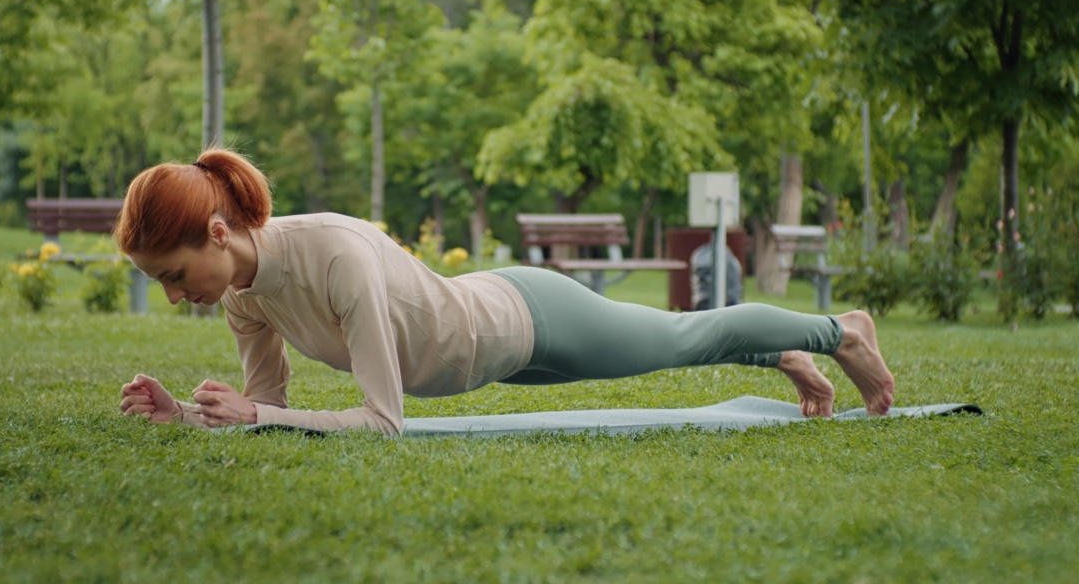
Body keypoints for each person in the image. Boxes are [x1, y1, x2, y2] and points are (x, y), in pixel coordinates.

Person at [116, 148, 894, 436]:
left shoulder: (333, 255)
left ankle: (841, 328)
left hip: (527, 318)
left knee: (681, 338)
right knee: (669, 351)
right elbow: (271, 410)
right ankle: (784, 354)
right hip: (491, 356)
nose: (180, 297)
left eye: (175, 276)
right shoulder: (247, 295)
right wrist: (189, 413)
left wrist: (260, 415)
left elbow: (381, 422)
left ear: (216, 233)